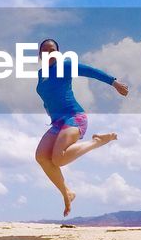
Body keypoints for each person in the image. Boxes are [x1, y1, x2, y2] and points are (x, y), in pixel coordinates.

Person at [33, 38, 128, 216]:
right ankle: (67, 193)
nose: (49, 52)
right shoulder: (41, 74)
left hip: (74, 117)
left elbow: (89, 71)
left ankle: (96, 141)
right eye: (45, 50)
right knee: (41, 157)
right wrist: (48, 108)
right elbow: (47, 95)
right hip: (57, 122)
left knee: (58, 158)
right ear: (40, 54)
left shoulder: (65, 65)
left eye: (52, 49)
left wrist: (113, 82)